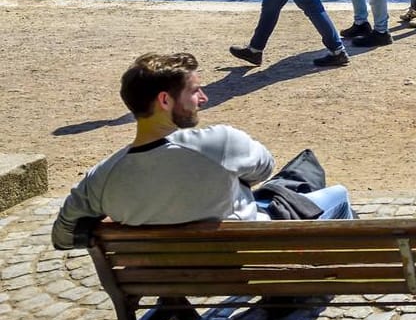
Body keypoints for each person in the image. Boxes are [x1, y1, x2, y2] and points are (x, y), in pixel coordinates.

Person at [52, 53, 353, 250]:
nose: (203, 98)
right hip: (253, 256)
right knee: (338, 195)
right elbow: (264, 169)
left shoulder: (102, 177)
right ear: (165, 101)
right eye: (195, 90)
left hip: (168, 275)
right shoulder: (218, 143)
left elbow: (63, 236)